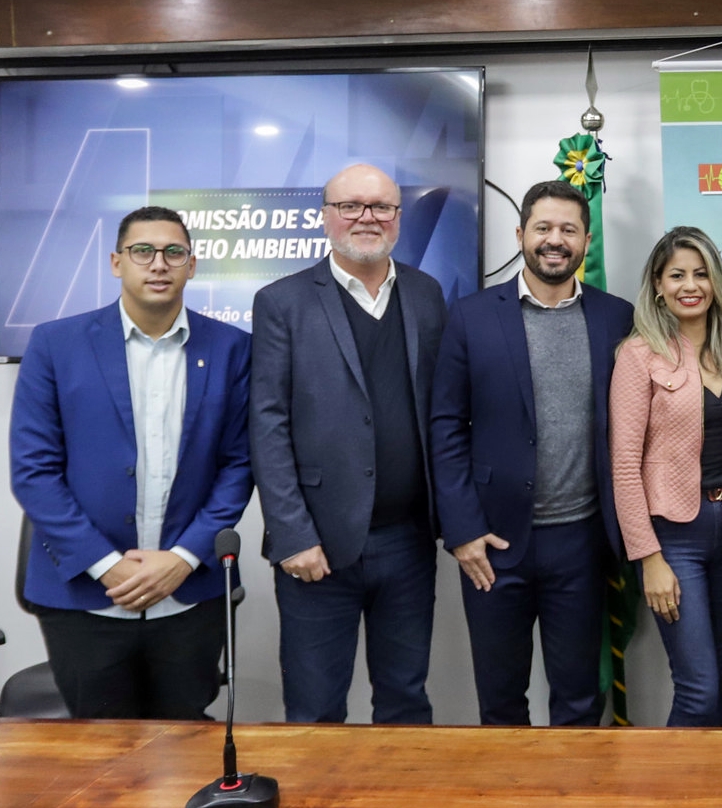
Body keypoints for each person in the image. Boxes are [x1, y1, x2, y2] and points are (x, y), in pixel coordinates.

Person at [11, 206, 253, 719]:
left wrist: (184, 557)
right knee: (98, 765)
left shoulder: (233, 349)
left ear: (193, 265)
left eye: (173, 252)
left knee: (185, 746)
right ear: (116, 262)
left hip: (189, 596)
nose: (158, 264)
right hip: (84, 596)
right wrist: (109, 565)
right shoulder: (56, 344)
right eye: (143, 251)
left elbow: (239, 466)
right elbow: (34, 472)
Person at [431, 179, 634, 726]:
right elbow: (446, 426)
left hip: (582, 542)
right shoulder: (472, 316)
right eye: (543, 227)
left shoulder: (616, 317)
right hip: (493, 543)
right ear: (520, 234)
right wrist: (462, 529)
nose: (555, 240)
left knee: (579, 700)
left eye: (568, 230)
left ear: (585, 243)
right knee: (500, 701)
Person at [251, 163, 447, 724]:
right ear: (325, 217)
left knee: (406, 703)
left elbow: (442, 413)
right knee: (315, 711)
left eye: (381, 207)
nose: (367, 218)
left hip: (409, 543)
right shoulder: (282, 302)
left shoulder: (426, 293)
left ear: (398, 218)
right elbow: (267, 425)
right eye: (351, 206)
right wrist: (292, 536)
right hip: (317, 549)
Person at [610, 227, 722, 726]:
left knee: (718, 677)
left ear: (715, 283)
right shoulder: (637, 355)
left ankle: (712, 801)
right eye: (677, 275)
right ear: (657, 285)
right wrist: (649, 557)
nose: (689, 285)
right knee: (698, 687)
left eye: (700, 274)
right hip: (676, 539)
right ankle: (673, 804)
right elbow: (624, 463)